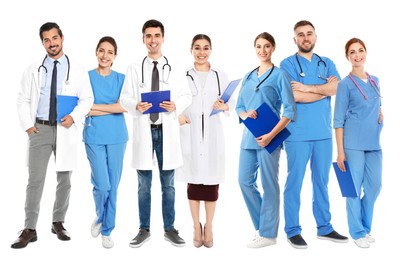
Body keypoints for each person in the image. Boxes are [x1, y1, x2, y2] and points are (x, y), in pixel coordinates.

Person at [13, 22, 94, 249]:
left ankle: (58, 222)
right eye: (46, 40)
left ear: (62, 38)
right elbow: (22, 99)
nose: (52, 43)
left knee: (64, 180)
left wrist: (75, 117)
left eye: (54, 38)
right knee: (35, 180)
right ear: (42, 43)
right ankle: (30, 228)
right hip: (39, 129)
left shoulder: (76, 69)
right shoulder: (33, 68)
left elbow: (87, 99)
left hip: (65, 128)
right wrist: (29, 126)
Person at [120, 19, 192, 248]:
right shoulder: (133, 68)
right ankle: (144, 228)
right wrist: (135, 106)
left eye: (157, 35)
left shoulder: (175, 67)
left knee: (168, 183)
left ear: (163, 38)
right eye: (148, 36)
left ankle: (170, 228)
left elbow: (186, 95)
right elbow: (125, 98)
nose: (153, 40)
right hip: (145, 129)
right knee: (143, 184)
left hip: (166, 130)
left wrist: (175, 106)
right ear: (143, 39)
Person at [279, 20, 348, 249]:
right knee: (294, 183)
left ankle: (325, 228)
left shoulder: (326, 63)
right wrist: (323, 90)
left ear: (315, 37)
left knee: (321, 182)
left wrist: (308, 88)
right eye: (301, 34)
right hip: (297, 134)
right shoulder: (286, 64)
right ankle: (292, 230)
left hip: (323, 134)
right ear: (295, 39)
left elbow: (338, 88)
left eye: (309, 34)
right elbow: (293, 97)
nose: (305, 38)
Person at [236, 32, 296, 248]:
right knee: (244, 181)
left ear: (273, 48)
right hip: (248, 137)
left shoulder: (280, 75)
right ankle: (262, 227)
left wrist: (271, 135)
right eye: (259, 46)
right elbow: (239, 106)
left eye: (267, 46)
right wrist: (245, 114)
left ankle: (269, 235)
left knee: (269, 184)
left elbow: (289, 111)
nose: (263, 50)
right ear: (255, 48)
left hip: (270, 137)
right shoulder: (248, 75)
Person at [175, 34, 234, 248]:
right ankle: (194, 225)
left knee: (211, 184)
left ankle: (208, 226)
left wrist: (224, 106)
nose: (202, 52)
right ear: (191, 49)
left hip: (212, 136)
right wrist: (178, 116)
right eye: (197, 48)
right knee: (193, 183)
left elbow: (232, 103)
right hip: (190, 134)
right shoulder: (182, 75)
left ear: (211, 50)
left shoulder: (220, 75)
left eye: (206, 48)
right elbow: (173, 102)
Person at [334, 38, 383, 249]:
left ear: (366, 52)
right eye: (352, 52)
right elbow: (337, 120)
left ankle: (364, 226)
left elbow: (374, 104)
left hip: (373, 142)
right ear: (347, 57)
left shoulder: (375, 81)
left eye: (360, 51)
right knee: (353, 189)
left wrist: (380, 114)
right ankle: (357, 231)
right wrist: (340, 152)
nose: (357, 55)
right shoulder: (344, 85)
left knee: (374, 186)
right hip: (352, 143)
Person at [84, 36, 128, 249]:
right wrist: (110, 106)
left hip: (118, 137)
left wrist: (96, 108)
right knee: (102, 185)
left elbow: (123, 107)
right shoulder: (87, 78)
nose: (105, 55)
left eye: (110, 52)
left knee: (114, 187)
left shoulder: (121, 79)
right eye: (102, 50)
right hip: (93, 136)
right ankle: (101, 216)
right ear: (96, 52)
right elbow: (83, 108)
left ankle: (107, 230)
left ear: (115, 56)